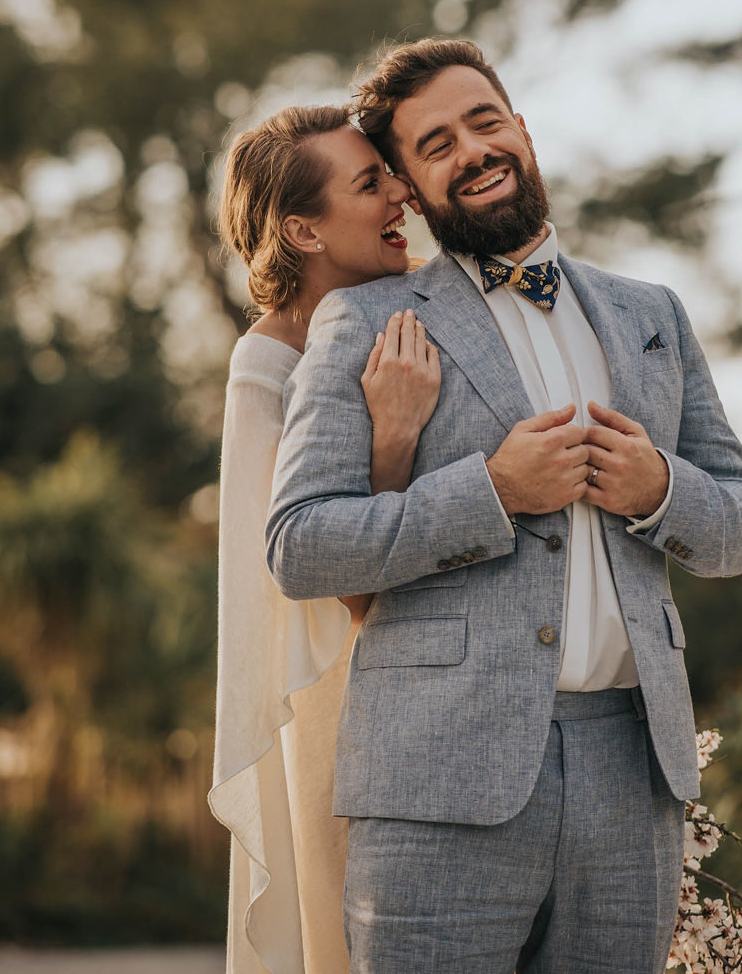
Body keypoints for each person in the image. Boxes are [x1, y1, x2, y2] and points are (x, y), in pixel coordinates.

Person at [267, 38, 742, 974]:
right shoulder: (365, 322)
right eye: (436, 144)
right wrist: (493, 491)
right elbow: (301, 544)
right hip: (435, 787)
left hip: (633, 781)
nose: (472, 150)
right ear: (411, 187)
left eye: (484, 122)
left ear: (523, 131)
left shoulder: (653, 313)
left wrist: (661, 489)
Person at [209, 103, 441, 974]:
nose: (401, 194)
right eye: (370, 182)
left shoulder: (433, 300)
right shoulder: (268, 366)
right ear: (303, 230)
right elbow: (321, 572)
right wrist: (393, 438)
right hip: (341, 690)